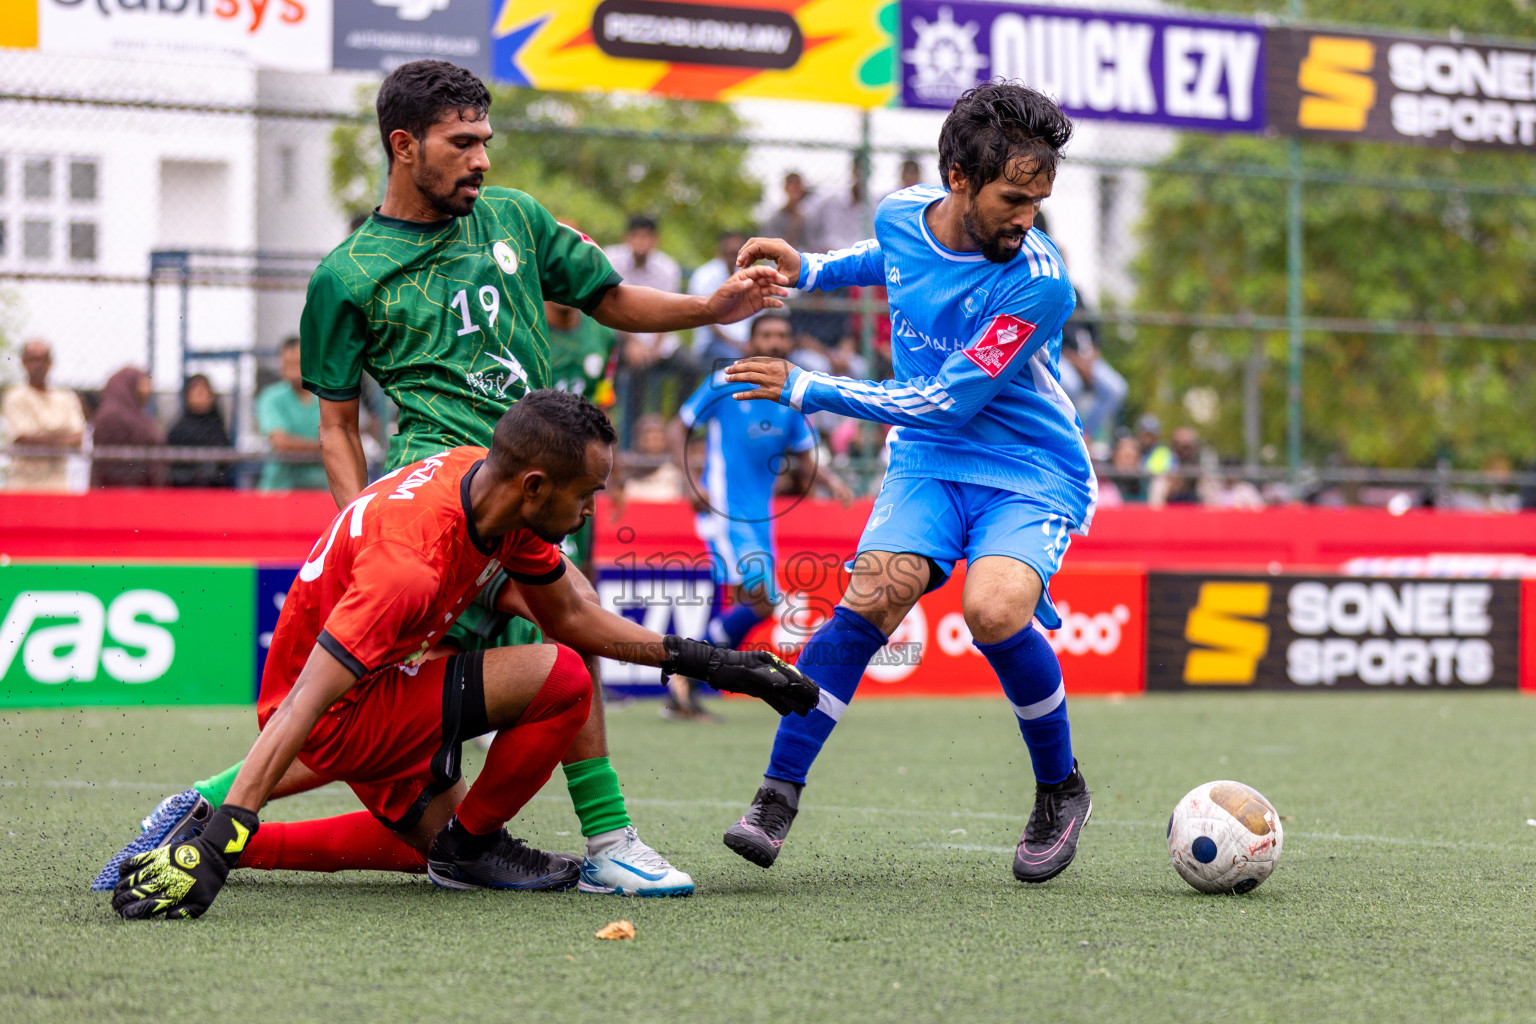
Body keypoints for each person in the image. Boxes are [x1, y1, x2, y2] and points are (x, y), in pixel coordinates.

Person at [93, 59, 787, 900]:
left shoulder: (515, 220)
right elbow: (338, 424)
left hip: (523, 496)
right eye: (463, 143)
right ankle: (597, 839)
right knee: (426, 699)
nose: (482, 158)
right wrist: (367, 528)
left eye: (485, 140)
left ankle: (209, 810)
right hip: (431, 515)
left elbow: (608, 296)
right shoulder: (346, 276)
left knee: (538, 666)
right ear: (403, 145)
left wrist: (710, 309)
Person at [110, 392, 817, 920]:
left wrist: (717, 664)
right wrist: (232, 824)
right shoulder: (407, 567)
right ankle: (472, 848)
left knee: (421, 846)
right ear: (536, 485)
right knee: (562, 677)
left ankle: (197, 829)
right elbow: (303, 704)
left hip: (380, 689)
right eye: (587, 495)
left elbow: (575, 613)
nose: (592, 511)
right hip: (343, 709)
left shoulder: (484, 486)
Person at [722, 82, 1095, 884]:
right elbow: (892, 255)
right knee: (871, 596)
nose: (1028, 215)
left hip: (1027, 469)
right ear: (959, 177)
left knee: (993, 611)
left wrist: (810, 388)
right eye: (1013, 196)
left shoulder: (1040, 280)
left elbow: (946, 399)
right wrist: (814, 267)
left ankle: (1060, 789)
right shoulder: (902, 211)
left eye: (1038, 198)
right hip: (929, 460)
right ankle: (777, 795)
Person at [665, 312, 854, 720]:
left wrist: (831, 482)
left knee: (754, 602)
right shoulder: (727, 381)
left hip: (759, 519)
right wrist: (690, 481)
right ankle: (686, 678)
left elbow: (805, 458)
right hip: (725, 512)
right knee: (763, 599)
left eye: (782, 335)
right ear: (751, 342)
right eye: (766, 335)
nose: (774, 342)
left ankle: (686, 679)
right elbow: (678, 428)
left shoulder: (792, 398)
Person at [605, 214, 686, 444]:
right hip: (621, 332)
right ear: (626, 238)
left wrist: (655, 346)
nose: (641, 242)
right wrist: (632, 343)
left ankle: (676, 424)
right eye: (636, 236)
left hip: (658, 336)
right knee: (635, 368)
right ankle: (632, 435)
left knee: (689, 366)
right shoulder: (612, 258)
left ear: (655, 240)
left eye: (646, 237)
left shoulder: (667, 267)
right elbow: (609, 306)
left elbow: (669, 310)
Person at [2, 339, 84, 492]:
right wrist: (62, 439)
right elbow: (22, 438)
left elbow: (78, 438)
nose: (38, 365)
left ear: (50, 362)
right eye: (32, 359)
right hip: (24, 485)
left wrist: (40, 437)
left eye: (43, 359)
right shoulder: (15, 396)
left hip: (58, 485)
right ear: (23, 362)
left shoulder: (66, 397)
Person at [256, 337, 327, 491]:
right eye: (287, 363)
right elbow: (281, 443)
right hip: (282, 487)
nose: (292, 368)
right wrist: (324, 447)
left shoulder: (327, 396)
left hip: (323, 487)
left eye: (297, 362)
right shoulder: (271, 397)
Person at [90, 366, 165, 488]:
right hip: (121, 491)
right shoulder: (111, 417)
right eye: (142, 383)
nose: (147, 390)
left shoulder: (139, 416)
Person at [688, 230, 753, 364]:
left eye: (738, 252)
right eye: (730, 252)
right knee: (738, 362)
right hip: (713, 343)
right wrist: (737, 344)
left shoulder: (749, 274)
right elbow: (707, 318)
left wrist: (755, 343)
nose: (734, 256)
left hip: (748, 343)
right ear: (720, 251)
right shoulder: (705, 276)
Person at [167, 374, 233, 488]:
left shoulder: (217, 427)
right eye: (194, 392)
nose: (199, 396)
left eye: (203, 392)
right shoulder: (179, 429)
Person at [761, 172, 813, 251]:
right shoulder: (776, 219)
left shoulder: (810, 217)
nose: (795, 194)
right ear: (786, 189)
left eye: (797, 189)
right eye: (793, 189)